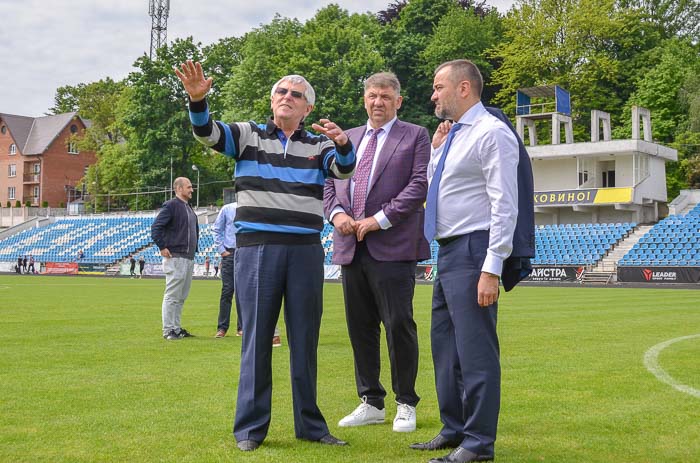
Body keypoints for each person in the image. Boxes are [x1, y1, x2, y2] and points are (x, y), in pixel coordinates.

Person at [176, 60, 355, 451]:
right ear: (272, 101)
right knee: (256, 339)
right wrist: (197, 100)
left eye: (297, 94)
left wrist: (343, 144)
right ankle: (250, 429)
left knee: (305, 341)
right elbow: (207, 133)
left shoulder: (319, 144)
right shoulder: (247, 135)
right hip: (257, 250)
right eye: (281, 92)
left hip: (305, 252)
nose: (287, 97)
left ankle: (310, 425)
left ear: (307, 108)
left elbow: (343, 171)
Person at [410, 59, 519, 463]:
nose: (433, 95)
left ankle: (478, 443)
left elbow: (504, 205)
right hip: (449, 251)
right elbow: (443, 187)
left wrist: (492, 267)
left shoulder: (491, 134)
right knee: (446, 348)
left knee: (474, 351)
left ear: (464, 88)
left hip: (474, 249)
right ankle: (454, 427)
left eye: (439, 87)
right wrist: (436, 152)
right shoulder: (454, 136)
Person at [323, 72, 430, 433]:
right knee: (360, 327)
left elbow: (418, 185)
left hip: (393, 245)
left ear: (398, 101)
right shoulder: (348, 138)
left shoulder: (415, 135)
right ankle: (370, 400)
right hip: (351, 246)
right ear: (364, 99)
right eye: (372, 95)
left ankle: (405, 402)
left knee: (398, 325)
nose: (377, 102)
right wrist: (337, 215)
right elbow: (329, 184)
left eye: (385, 96)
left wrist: (378, 220)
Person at [213, 202, 283, 345]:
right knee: (227, 290)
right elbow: (216, 229)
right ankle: (222, 327)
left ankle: (243, 327)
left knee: (245, 291)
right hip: (231, 252)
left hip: (248, 249)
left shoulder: (255, 206)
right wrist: (222, 250)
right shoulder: (227, 209)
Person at [151, 177, 200, 341]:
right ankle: (168, 330)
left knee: (181, 296)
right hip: (176, 256)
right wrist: (162, 246)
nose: (191, 190)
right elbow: (156, 227)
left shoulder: (188, 208)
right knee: (172, 295)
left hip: (188, 257)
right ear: (178, 188)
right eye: (189, 187)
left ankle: (176, 328)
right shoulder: (171, 205)